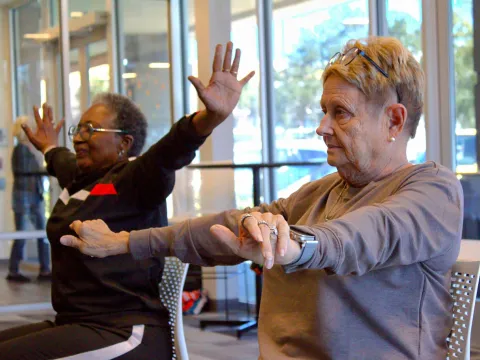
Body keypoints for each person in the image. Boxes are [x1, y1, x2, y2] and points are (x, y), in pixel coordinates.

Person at [60, 36, 464, 359]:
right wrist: (125, 241)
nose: (322, 127)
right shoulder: (317, 194)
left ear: (394, 119)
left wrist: (294, 246)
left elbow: (365, 235)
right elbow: (222, 227)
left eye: (340, 112)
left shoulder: (432, 190)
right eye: (323, 111)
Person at [0, 42, 254, 359]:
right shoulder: (84, 183)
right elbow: (61, 160)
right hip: (76, 323)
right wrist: (49, 148)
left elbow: (167, 155)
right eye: (78, 129)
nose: (78, 136)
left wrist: (207, 120)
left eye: (90, 130)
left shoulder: (134, 180)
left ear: (124, 143)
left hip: (126, 331)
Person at [8, 116, 51, 282]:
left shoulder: (28, 149)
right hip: (24, 198)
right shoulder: (21, 149)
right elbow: (31, 171)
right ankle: (14, 270)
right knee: (22, 234)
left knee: (42, 232)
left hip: (34, 196)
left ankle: (45, 268)